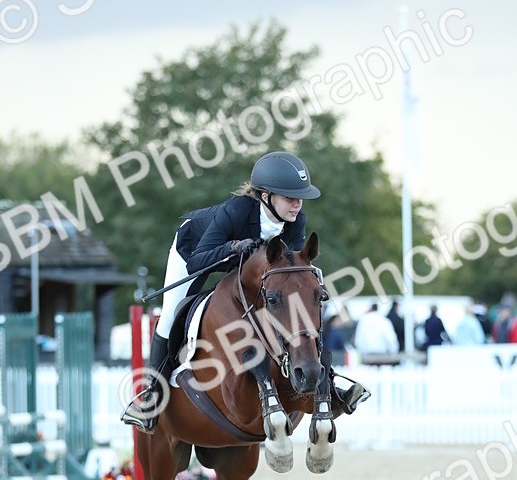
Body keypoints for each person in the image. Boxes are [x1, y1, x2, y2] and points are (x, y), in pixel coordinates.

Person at [122, 151, 366, 430]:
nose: (297, 204)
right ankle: (150, 397)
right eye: (289, 197)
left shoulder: (295, 221)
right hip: (195, 249)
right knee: (169, 315)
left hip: (249, 269)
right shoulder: (236, 211)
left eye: (299, 198)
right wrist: (232, 248)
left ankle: (327, 385)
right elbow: (196, 262)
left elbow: (286, 272)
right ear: (265, 196)